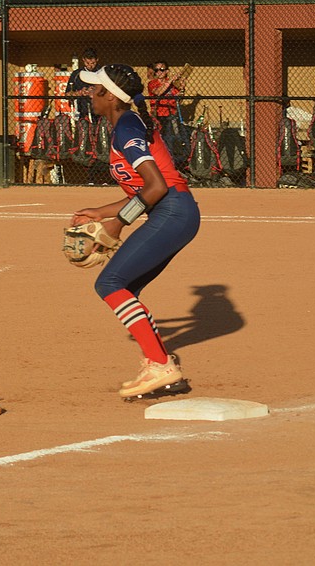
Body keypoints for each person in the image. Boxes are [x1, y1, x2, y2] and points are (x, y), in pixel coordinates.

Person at [70, 64, 201, 399]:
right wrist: (101, 212)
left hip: (172, 211)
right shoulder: (124, 124)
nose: (89, 94)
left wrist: (118, 223)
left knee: (109, 283)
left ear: (109, 96)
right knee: (124, 286)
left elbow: (156, 187)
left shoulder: (126, 125)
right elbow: (140, 190)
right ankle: (157, 362)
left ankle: (160, 365)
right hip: (173, 212)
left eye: (94, 88)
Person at [66, 48, 109, 185]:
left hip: (101, 114)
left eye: (92, 60)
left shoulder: (102, 72)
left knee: (103, 144)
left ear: (97, 60)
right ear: (83, 60)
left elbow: (109, 91)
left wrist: (95, 92)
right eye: (87, 60)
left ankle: (105, 178)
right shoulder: (77, 74)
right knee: (87, 144)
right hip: (84, 113)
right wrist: (80, 93)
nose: (90, 63)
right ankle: (90, 179)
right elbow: (68, 94)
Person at [147, 60, 188, 169]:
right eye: (157, 70)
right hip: (161, 116)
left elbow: (179, 100)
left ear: (166, 71)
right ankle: (165, 165)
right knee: (165, 141)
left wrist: (182, 88)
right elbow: (158, 92)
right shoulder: (153, 83)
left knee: (177, 140)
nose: (159, 72)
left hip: (172, 115)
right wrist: (170, 81)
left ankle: (177, 164)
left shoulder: (172, 86)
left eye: (162, 69)